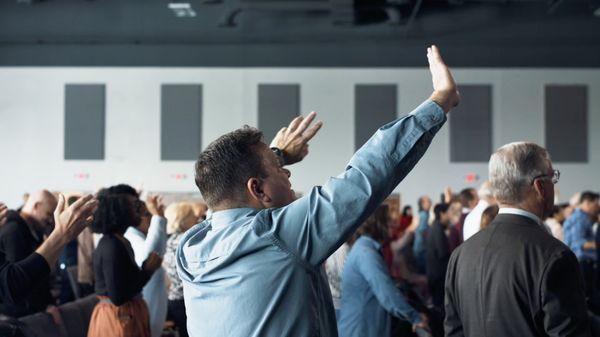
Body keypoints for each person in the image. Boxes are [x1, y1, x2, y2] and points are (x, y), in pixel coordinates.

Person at [176, 45, 459, 337]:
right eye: (280, 169)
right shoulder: (278, 236)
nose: (287, 174)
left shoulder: (192, 247)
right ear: (257, 188)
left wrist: (276, 155)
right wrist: (439, 101)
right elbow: (366, 175)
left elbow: (224, 201)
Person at [445, 142, 590, 337]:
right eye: (553, 178)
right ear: (540, 187)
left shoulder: (460, 255)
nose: (554, 186)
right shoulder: (555, 257)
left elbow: (454, 331)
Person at [338, 205, 428, 337]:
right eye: (388, 219)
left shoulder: (364, 248)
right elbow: (387, 293)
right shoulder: (366, 253)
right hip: (361, 330)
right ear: (377, 223)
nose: (394, 222)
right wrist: (416, 317)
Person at [88, 187, 162, 337]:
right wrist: (147, 271)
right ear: (118, 213)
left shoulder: (119, 241)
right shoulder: (111, 245)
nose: (139, 212)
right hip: (117, 319)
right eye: (131, 207)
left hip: (125, 315)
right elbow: (118, 297)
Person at [0, 190, 58, 317]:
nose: (50, 220)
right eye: (48, 214)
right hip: (19, 314)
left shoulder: (30, 230)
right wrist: (43, 306)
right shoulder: (14, 231)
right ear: (36, 206)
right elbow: (18, 280)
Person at [121, 189, 169, 337]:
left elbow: (159, 250)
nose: (151, 219)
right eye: (148, 215)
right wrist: (158, 219)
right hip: (146, 304)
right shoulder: (130, 236)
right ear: (136, 218)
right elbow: (150, 255)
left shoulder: (141, 235)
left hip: (152, 303)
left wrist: (159, 218)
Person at [163, 202, 197, 337]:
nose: (196, 219)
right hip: (185, 299)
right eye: (192, 216)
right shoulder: (187, 241)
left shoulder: (169, 240)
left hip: (174, 298)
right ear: (185, 219)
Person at [564, 191, 600, 298]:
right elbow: (578, 242)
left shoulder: (582, 217)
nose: (597, 206)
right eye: (596, 203)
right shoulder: (580, 218)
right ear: (587, 203)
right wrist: (597, 244)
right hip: (582, 263)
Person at [425, 203, 451, 311]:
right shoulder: (438, 228)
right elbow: (442, 253)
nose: (450, 216)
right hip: (438, 275)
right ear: (442, 214)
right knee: (440, 307)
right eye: (448, 213)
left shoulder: (434, 226)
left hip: (433, 273)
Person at [413, 195, 432, 273]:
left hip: (419, 248)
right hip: (422, 249)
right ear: (422, 204)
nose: (431, 203)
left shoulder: (422, 214)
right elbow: (423, 231)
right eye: (428, 201)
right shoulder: (424, 215)